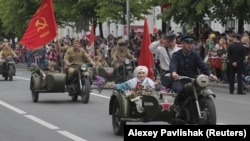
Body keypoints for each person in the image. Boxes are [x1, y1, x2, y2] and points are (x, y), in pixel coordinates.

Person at [170, 35, 218, 99]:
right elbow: (173, 64)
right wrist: (174, 72)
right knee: (178, 90)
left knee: (202, 90)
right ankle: (178, 107)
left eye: (191, 43)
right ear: (183, 43)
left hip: (193, 80)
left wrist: (210, 74)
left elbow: (202, 65)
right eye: (187, 43)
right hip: (180, 79)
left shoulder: (195, 54)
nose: (189, 45)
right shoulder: (176, 55)